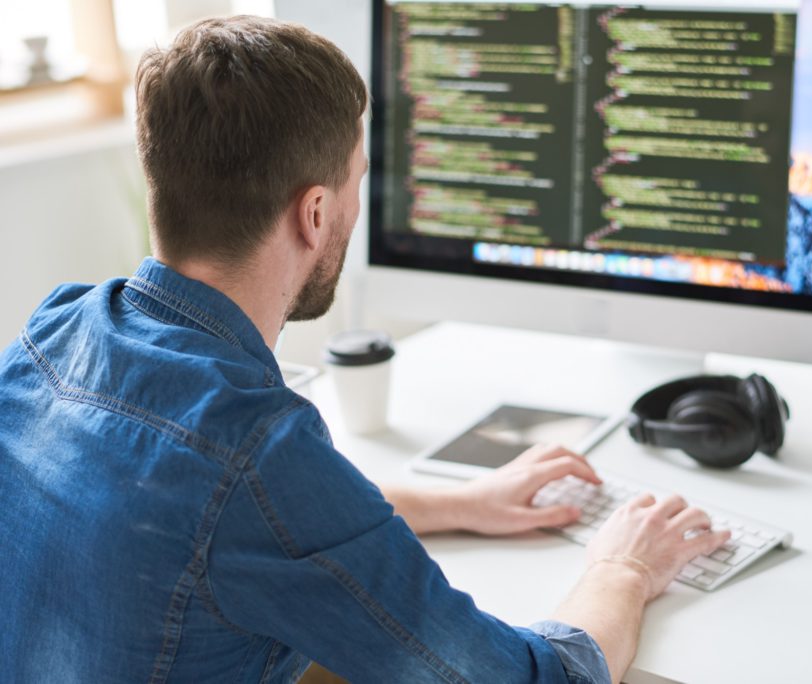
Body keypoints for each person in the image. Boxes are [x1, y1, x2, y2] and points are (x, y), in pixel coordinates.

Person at [0, 15, 729, 683]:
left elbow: (228, 520)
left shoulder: (55, 329)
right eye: (355, 184)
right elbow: (522, 678)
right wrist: (626, 567)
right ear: (314, 213)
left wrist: (461, 503)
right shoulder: (255, 450)